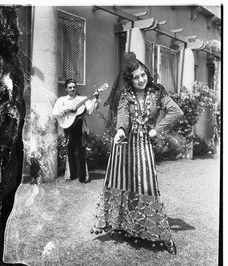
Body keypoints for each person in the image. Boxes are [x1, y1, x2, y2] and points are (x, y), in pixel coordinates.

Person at [91, 52, 183, 254]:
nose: (141, 79)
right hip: (124, 144)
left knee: (147, 184)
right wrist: (120, 131)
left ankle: (160, 234)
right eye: (136, 77)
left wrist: (156, 129)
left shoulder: (158, 92)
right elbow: (123, 115)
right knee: (124, 181)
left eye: (143, 75)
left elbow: (176, 112)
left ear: (146, 73)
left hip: (144, 144)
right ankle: (127, 226)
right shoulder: (125, 96)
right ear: (129, 80)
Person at [52, 78, 101, 183]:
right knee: (70, 151)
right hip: (68, 126)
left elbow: (90, 112)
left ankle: (82, 178)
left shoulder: (83, 99)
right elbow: (55, 112)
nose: (72, 89)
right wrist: (67, 108)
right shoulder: (62, 100)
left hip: (80, 126)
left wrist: (96, 99)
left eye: (74, 87)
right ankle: (72, 175)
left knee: (81, 152)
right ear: (66, 89)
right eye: (70, 87)